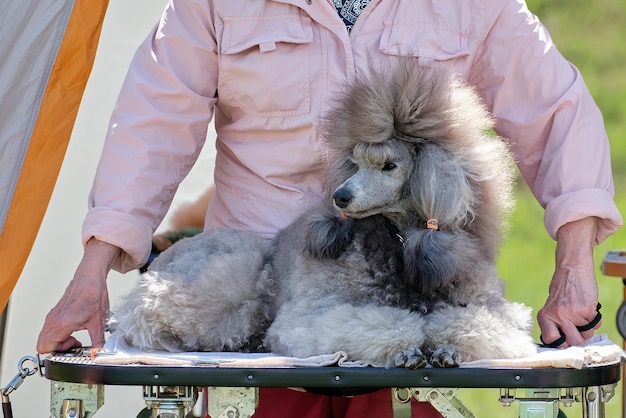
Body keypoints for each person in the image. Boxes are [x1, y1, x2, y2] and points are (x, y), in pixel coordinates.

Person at [37, 0, 623, 416]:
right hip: (260, 312)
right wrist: (91, 274)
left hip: (406, 301)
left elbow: (556, 114)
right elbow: (151, 127)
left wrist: (573, 265)